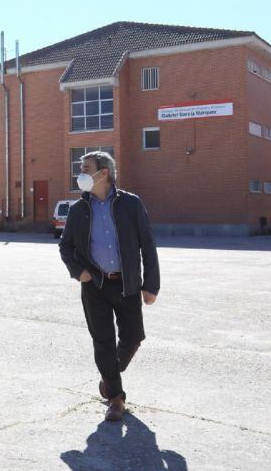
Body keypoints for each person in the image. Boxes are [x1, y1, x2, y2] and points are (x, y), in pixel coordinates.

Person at [58, 151, 160, 422]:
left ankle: (109, 375)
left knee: (134, 337)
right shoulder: (79, 209)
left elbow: (147, 246)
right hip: (95, 285)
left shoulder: (131, 204)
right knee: (102, 341)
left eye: (86, 167)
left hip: (127, 284)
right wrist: (78, 272)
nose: (80, 172)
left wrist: (151, 285)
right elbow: (65, 246)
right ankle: (115, 398)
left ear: (103, 173)